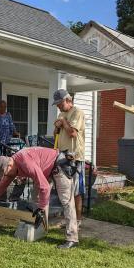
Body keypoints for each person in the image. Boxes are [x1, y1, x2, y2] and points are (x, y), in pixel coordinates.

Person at [0, 147, 79, 249]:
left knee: (67, 202)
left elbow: (45, 187)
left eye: (5, 172)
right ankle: (42, 230)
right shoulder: (11, 166)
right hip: (45, 170)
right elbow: (5, 182)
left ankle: (72, 239)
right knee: (36, 198)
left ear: (9, 165)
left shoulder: (25, 162)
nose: (5, 175)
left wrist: (41, 208)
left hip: (59, 165)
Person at [52, 89, 86, 226]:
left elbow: (72, 133)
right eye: (57, 104)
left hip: (75, 157)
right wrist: (56, 128)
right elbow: (57, 135)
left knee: (76, 191)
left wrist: (63, 122)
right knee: (65, 190)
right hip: (62, 156)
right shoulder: (61, 114)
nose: (58, 106)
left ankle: (77, 220)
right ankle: (69, 219)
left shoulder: (77, 112)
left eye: (60, 103)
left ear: (67, 100)